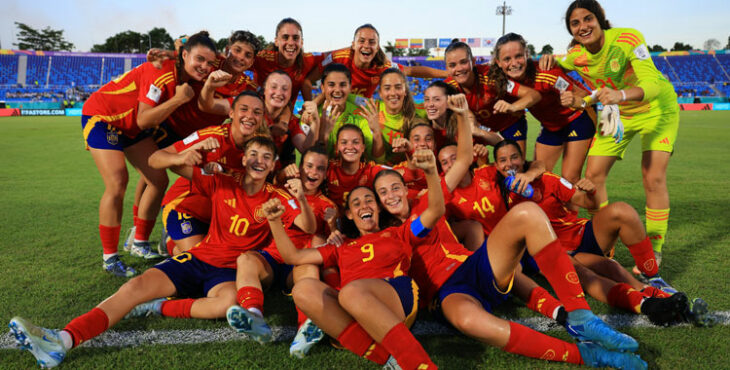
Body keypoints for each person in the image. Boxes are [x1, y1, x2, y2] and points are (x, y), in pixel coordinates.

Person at [8, 136, 298, 369]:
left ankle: (157, 306)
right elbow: (162, 162)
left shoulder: (278, 197)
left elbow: (305, 223)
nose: (259, 161)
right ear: (244, 158)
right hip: (198, 257)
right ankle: (63, 340)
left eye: (266, 157)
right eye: (254, 154)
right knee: (135, 286)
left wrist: (301, 197)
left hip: (232, 271)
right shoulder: (221, 180)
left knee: (227, 305)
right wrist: (188, 154)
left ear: (273, 165)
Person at [492, 140, 713, 327]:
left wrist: (590, 191)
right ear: (495, 165)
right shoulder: (496, 193)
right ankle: (652, 303)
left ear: (523, 160)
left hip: (580, 235)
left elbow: (587, 202)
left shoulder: (546, 179)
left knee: (623, 211)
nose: (510, 164)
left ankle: (652, 277)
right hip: (554, 252)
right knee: (601, 269)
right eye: (503, 160)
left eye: (514, 158)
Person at [274, 149, 445, 369]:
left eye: (369, 200)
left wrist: (431, 172)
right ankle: (388, 359)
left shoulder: (399, 232)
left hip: (394, 295)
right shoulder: (341, 246)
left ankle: (421, 365)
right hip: (353, 305)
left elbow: (437, 210)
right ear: (348, 214)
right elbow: (293, 256)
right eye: (356, 203)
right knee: (303, 289)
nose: (364, 205)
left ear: (378, 207)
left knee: (351, 291)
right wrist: (274, 222)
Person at [541, 0, 680, 267]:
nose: (583, 26)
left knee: (652, 176)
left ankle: (654, 247)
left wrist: (621, 94)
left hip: (656, 109)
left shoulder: (628, 38)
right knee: (592, 177)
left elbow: (651, 82)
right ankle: (603, 241)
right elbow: (560, 68)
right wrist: (551, 64)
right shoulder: (576, 57)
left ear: (600, 19)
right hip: (616, 114)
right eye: (575, 23)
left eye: (588, 19)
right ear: (570, 31)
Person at [80, 31, 217, 277]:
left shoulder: (181, 69)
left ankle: (140, 243)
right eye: (200, 60)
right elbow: (144, 119)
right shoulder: (161, 71)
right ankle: (110, 258)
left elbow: (141, 122)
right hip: (104, 117)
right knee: (117, 181)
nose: (205, 67)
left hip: (131, 127)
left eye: (210, 63)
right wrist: (178, 100)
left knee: (158, 179)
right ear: (185, 55)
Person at [128, 31, 262, 256]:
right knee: (151, 175)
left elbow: (213, 106)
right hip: (173, 123)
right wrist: (171, 53)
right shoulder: (213, 60)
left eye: (248, 55)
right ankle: (138, 231)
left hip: (201, 134)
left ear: (252, 61)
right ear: (227, 48)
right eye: (237, 50)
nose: (240, 57)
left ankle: (179, 231)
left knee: (205, 181)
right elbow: (189, 53)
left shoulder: (246, 86)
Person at [148, 91, 267, 255]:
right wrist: (182, 157)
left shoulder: (262, 147)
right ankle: (170, 243)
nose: (250, 116)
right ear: (231, 113)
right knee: (203, 258)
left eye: (257, 112)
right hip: (186, 209)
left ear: (262, 118)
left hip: (220, 216)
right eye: (244, 109)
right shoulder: (211, 136)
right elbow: (154, 159)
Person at [491, 33, 596, 184]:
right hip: (550, 127)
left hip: (577, 120)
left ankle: (572, 207)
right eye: (507, 59)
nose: (514, 63)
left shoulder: (546, 74)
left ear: (527, 54)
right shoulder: (501, 81)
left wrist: (574, 100)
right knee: (537, 175)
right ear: (498, 62)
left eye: (519, 56)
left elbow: (583, 95)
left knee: (570, 178)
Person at [444, 41, 541, 154]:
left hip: (509, 123)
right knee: (474, 164)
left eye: (463, 62)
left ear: (473, 62)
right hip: (478, 127)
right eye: (452, 65)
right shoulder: (449, 87)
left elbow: (534, 95)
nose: (459, 68)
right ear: (447, 68)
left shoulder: (491, 77)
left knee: (515, 165)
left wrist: (513, 106)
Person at [312, 24, 447, 98]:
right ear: (353, 45)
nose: (366, 46)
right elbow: (308, 80)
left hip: (359, 113)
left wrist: (447, 74)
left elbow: (410, 70)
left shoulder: (382, 65)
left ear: (377, 48)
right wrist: (309, 104)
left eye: (372, 42)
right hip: (334, 109)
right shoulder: (338, 58)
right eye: (362, 41)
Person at [317, 63, 383, 160]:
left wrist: (377, 133)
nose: (337, 90)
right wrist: (324, 135)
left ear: (350, 87)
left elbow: (377, 160)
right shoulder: (313, 115)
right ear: (323, 88)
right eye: (331, 85)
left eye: (343, 85)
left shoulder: (360, 115)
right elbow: (315, 163)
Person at [253, 18, 323, 103]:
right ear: (276, 41)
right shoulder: (262, 58)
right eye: (285, 37)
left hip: (287, 115)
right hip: (258, 114)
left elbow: (337, 56)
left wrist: (315, 102)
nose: (290, 43)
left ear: (301, 42)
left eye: (295, 38)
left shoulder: (308, 60)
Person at [367, 68, 427, 165]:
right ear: (380, 93)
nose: (393, 93)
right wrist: (376, 132)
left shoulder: (421, 111)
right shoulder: (373, 107)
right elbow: (348, 97)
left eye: (398, 87)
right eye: (387, 88)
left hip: (413, 169)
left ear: (405, 91)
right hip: (382, 172)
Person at [325, 124, 387, 208]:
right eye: (344, 142)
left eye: (355, 142)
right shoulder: (328, 170)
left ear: (363, 148)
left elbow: (402, 174)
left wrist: (409, 152)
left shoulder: (371, 171)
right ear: (337, 147)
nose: (350, 147)